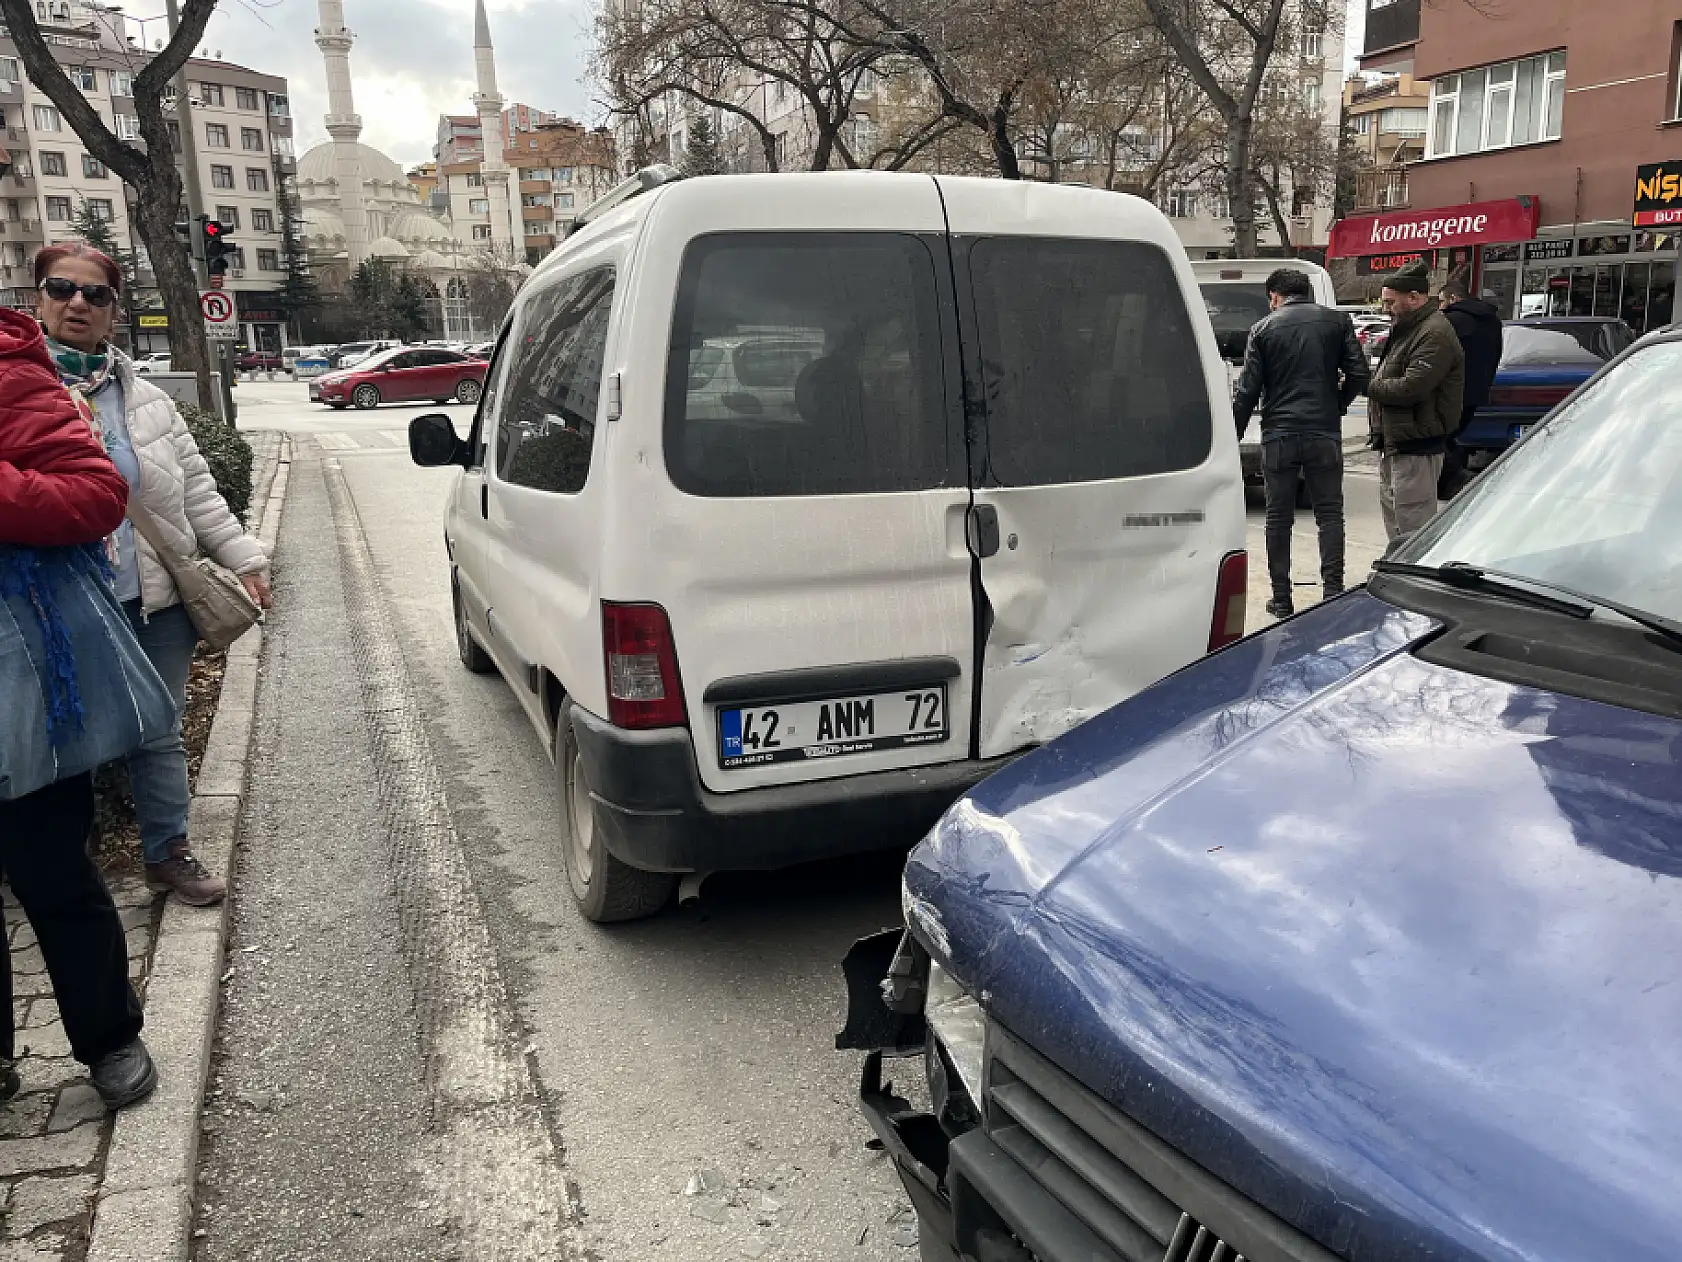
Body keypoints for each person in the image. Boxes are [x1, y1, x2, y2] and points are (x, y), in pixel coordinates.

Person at [35, 243, 272, 906]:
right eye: (63, 289)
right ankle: (66, 869)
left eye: (96, 295)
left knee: (157, 731)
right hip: (66, 602)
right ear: (40, 300)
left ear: (114, 311)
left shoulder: (146, 401)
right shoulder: (20, 390)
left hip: (153, 600)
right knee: (68, 738)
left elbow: (196, 491)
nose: (78, 303)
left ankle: (167, 852)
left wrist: (246, 559)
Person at [0, 305, 158, 1108]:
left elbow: (96, 496)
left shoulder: (16, 376)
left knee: (51, 868)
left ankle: (107, 1037)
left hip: (18, 674)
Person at [1232, 267, 1370, 619]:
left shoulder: (1262, 329)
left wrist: (1233, 439)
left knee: (1278, 518)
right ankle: (1333, 591)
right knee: (1330, 514)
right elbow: (1358, 374)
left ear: (1275, 297)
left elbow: (1247, 391)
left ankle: (1282, 598)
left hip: (1279, 433)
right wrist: (1336, 404)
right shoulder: (1337, 322)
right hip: (1323, 431)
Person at [1367, 259, 1465, 539]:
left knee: (1413, 525)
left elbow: (1412, 388)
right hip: (1398, 440)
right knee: (1398, 519)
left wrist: (1366, 386)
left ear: (1414, 297)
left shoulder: (1433, 332)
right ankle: (1397, 572)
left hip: (1417, 444)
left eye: (1391, 303)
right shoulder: (1410, 327)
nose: (1386, 310)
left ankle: (1412, 575)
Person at [1437, 277, 1504, 500]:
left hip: (1451, 390)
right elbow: (1497, 353)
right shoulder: (1493, 321)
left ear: (1454, 298)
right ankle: (1454, 478)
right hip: (1477, 389)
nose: (1440, 306)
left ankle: (1454, 480)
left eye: (1442, 301)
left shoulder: (1451, 321)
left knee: (1441, 437)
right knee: (1453, 435)